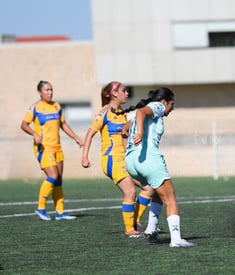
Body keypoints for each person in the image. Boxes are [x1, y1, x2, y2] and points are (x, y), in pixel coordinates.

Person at [122, 87, 196, 248]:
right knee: (170, 199)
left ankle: (151, 228)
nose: (172, 108)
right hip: (148, 158)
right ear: (163, 102)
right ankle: (176, 240)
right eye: (172, 104)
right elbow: (142, 112)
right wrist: (140, 133)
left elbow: (124, 129)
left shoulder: (135, 115)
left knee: (157, 191)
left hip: (132, 161)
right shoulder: (158, 106)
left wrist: (129, 150)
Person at [82, 81, 143, 238]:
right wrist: (85, 157)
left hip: (125, 158)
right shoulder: (103, 114)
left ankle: (135, 220)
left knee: (148, 187)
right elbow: (89, 134)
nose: (127, 93)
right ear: (114, 93)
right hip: (112, 159)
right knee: (130, 191)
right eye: (124, 90)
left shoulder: (122, 113)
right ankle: (130, 230)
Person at [21, 80, 83, 221]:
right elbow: (23, 124)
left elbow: (63, 125)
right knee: (53, 176)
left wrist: (76, 138)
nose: (50, 92)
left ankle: (60, 212)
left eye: (51, 89)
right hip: (44, 149)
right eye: (47, 90)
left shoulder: (56, 106)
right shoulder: (35, 107)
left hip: (57, 148)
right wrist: (34, 134)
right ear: (40, 92)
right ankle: (40, 208)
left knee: (59, 180)